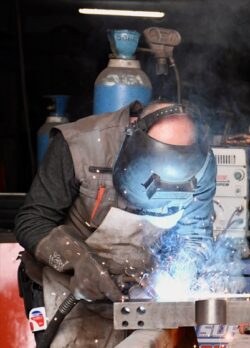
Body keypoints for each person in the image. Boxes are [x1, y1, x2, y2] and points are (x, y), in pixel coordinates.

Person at [14, 101, 217, 347]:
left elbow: (195, 238)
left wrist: (180, 275)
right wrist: (77, 260)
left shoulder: (201, 164)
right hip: (67, 289)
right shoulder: (81, 145)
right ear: (132, 136)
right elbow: (31, 221)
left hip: (138, 294)